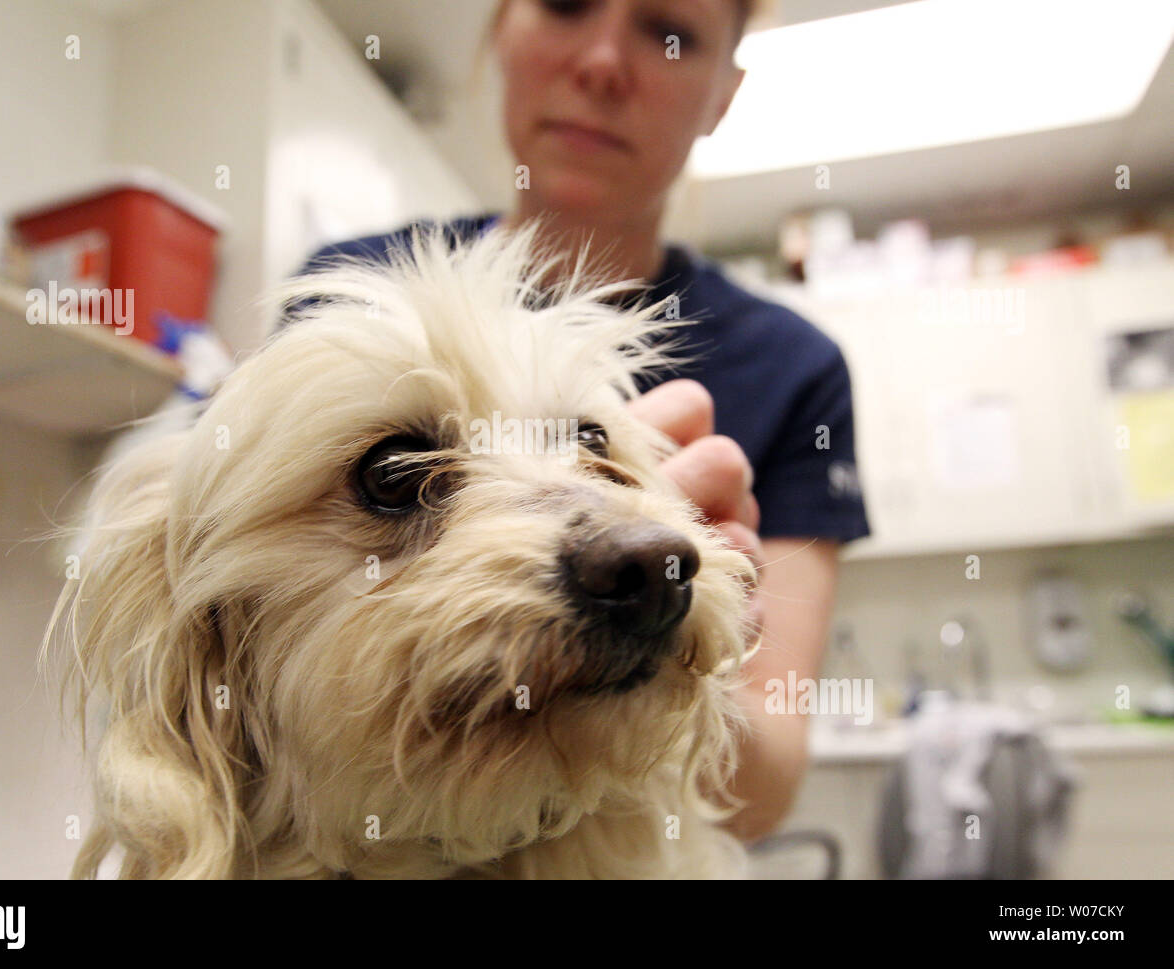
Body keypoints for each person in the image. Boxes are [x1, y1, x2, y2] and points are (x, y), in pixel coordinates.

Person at [283, 0, 870, 842]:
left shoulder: (792, 367)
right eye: (564, 4)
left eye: (669, 34)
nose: (602, 63)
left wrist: (676, 636)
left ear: (724, 95)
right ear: (498, 31)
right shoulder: (348, 290)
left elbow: (763, 793)